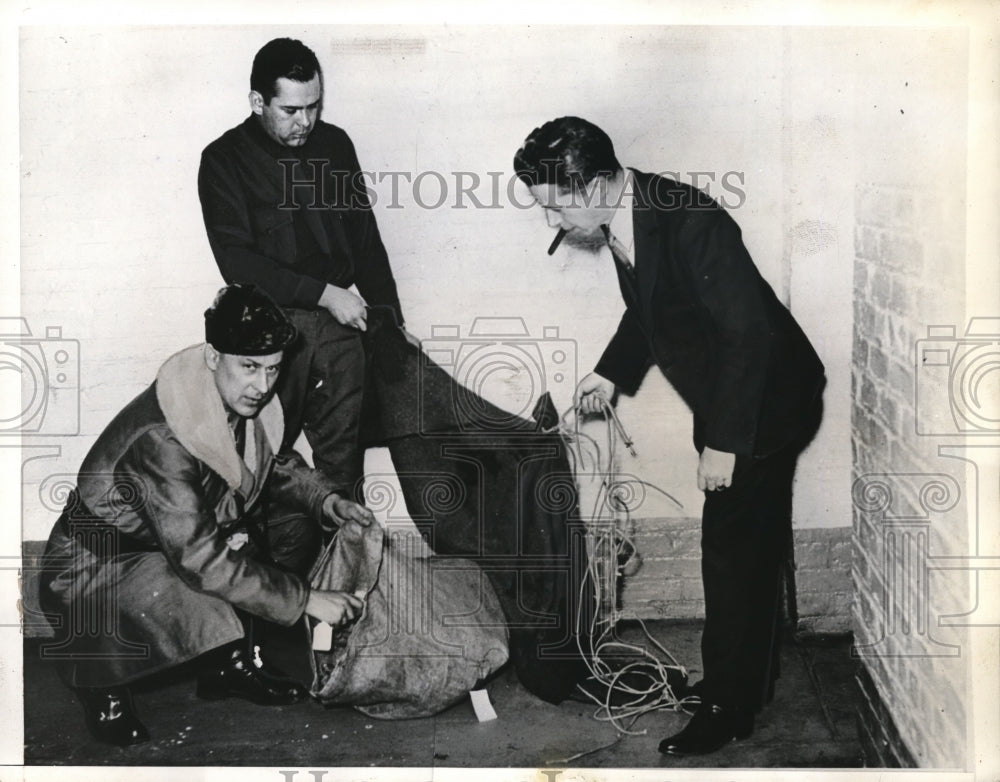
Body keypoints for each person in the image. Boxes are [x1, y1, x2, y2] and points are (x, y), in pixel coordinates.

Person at [513, 117, 826, 755]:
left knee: (732, 551)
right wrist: (610, 373)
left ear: (598, 182)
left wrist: (727, 442)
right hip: (734, 397)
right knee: (749, 545)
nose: (552, 223)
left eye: (556, 206)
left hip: (766, 400)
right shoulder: (630, 216)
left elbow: (750, 335)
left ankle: (728, 708)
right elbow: (651, 306)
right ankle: (745, 682)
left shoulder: (691, 219)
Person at [39, 284, 374, 747]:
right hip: (93, 570)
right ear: (214, 357)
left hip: (159, 550)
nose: (263, 385)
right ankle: (100, 684)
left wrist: (326, 500)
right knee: (220, 563)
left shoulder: (235, 399)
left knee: (240, 541)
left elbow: (269, 465)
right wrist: (306, 599)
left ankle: (227, 667)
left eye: (273, 369)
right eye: (250, 367)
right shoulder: (161, 436)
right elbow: (200, 559)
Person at [198, 37, 404, 500]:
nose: (305, 121)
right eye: (291, 110)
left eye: (313, 106)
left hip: (340, 333)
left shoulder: (335, 145)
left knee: (344, 467)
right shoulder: (222, 160)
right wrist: (326, 294)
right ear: (257, 102)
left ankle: (348, 567)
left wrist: (390, 320)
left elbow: (365, 241)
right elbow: (237, 262)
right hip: (268, 334)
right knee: (254, 459)